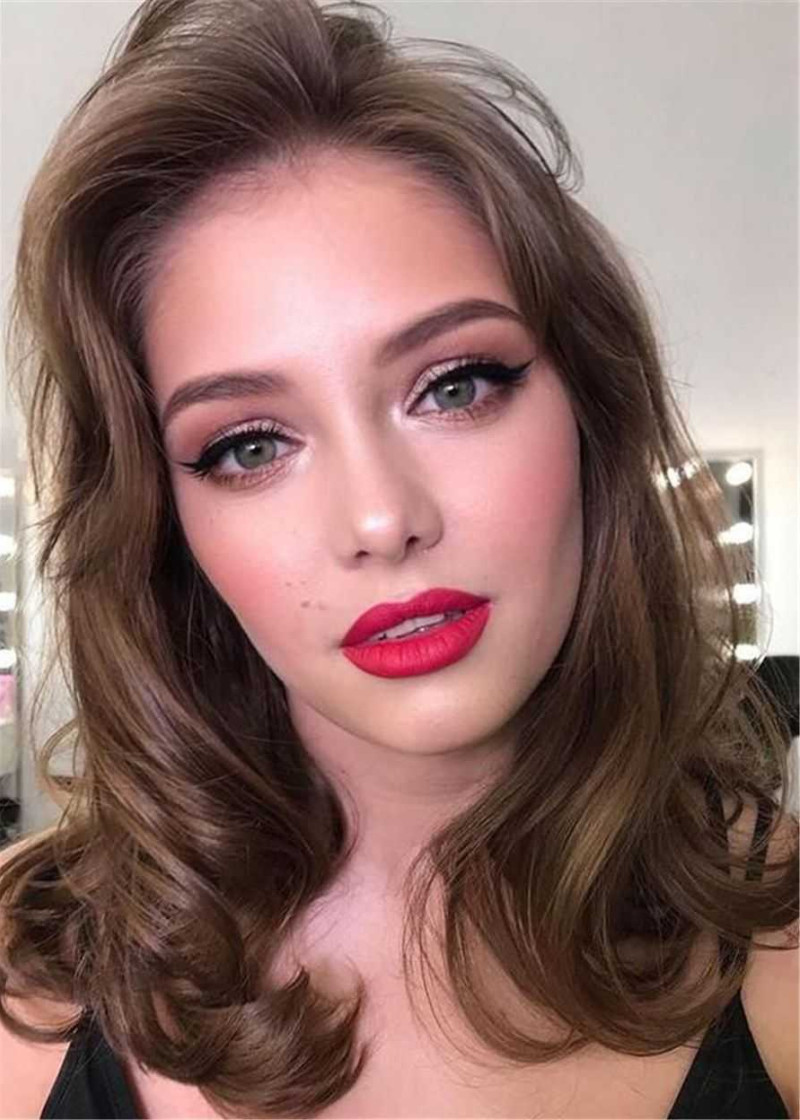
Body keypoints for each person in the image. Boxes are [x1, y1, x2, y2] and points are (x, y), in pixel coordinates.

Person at [0, 0, 797, 1117]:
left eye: (455, 385)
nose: (380, 518)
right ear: (163, 523)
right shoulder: (23, 982)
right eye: (249, 445)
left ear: (590, 407)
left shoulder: (779, 945)